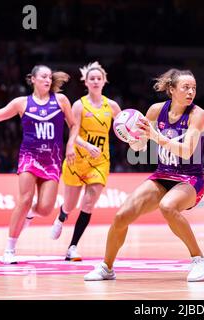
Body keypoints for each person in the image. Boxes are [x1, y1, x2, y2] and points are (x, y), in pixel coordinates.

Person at [84, 68, 204, 282]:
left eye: (194, 88)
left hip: (191, 179)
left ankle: (199, 259)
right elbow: (140, 146)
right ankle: (106, 267)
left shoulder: (197, 114)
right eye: (186, 87)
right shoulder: (155, 110)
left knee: (168, 206)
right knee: (121, 216)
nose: (191, 92)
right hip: (163, 175)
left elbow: (187, 150)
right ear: (171, 90)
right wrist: (133, 138)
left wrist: (156, 137)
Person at [0, 65, 79, 264]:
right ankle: (10, 248)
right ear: (32, 79)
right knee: (25, 199)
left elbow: (74, 124)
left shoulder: (60, 100)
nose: (47, 80)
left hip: (52, 160)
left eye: (50, 77)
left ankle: (31, 214)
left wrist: (71, 145)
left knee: (45, 209)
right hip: (29, 157)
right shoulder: (21, 103)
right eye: (43, 76)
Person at [49, 62, 121, 261]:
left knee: (88, 204)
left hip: (100, 161)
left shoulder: (112, 106)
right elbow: (73, 132)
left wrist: (134, 138)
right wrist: (87, 146)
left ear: (104, 81)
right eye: (92, 78)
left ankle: (72, 247)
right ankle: (62, 216)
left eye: (99, 78)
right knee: (70, 205)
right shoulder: (80, 105)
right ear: (86, 82)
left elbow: (123, 128)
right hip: (77, 159)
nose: (96, 81)